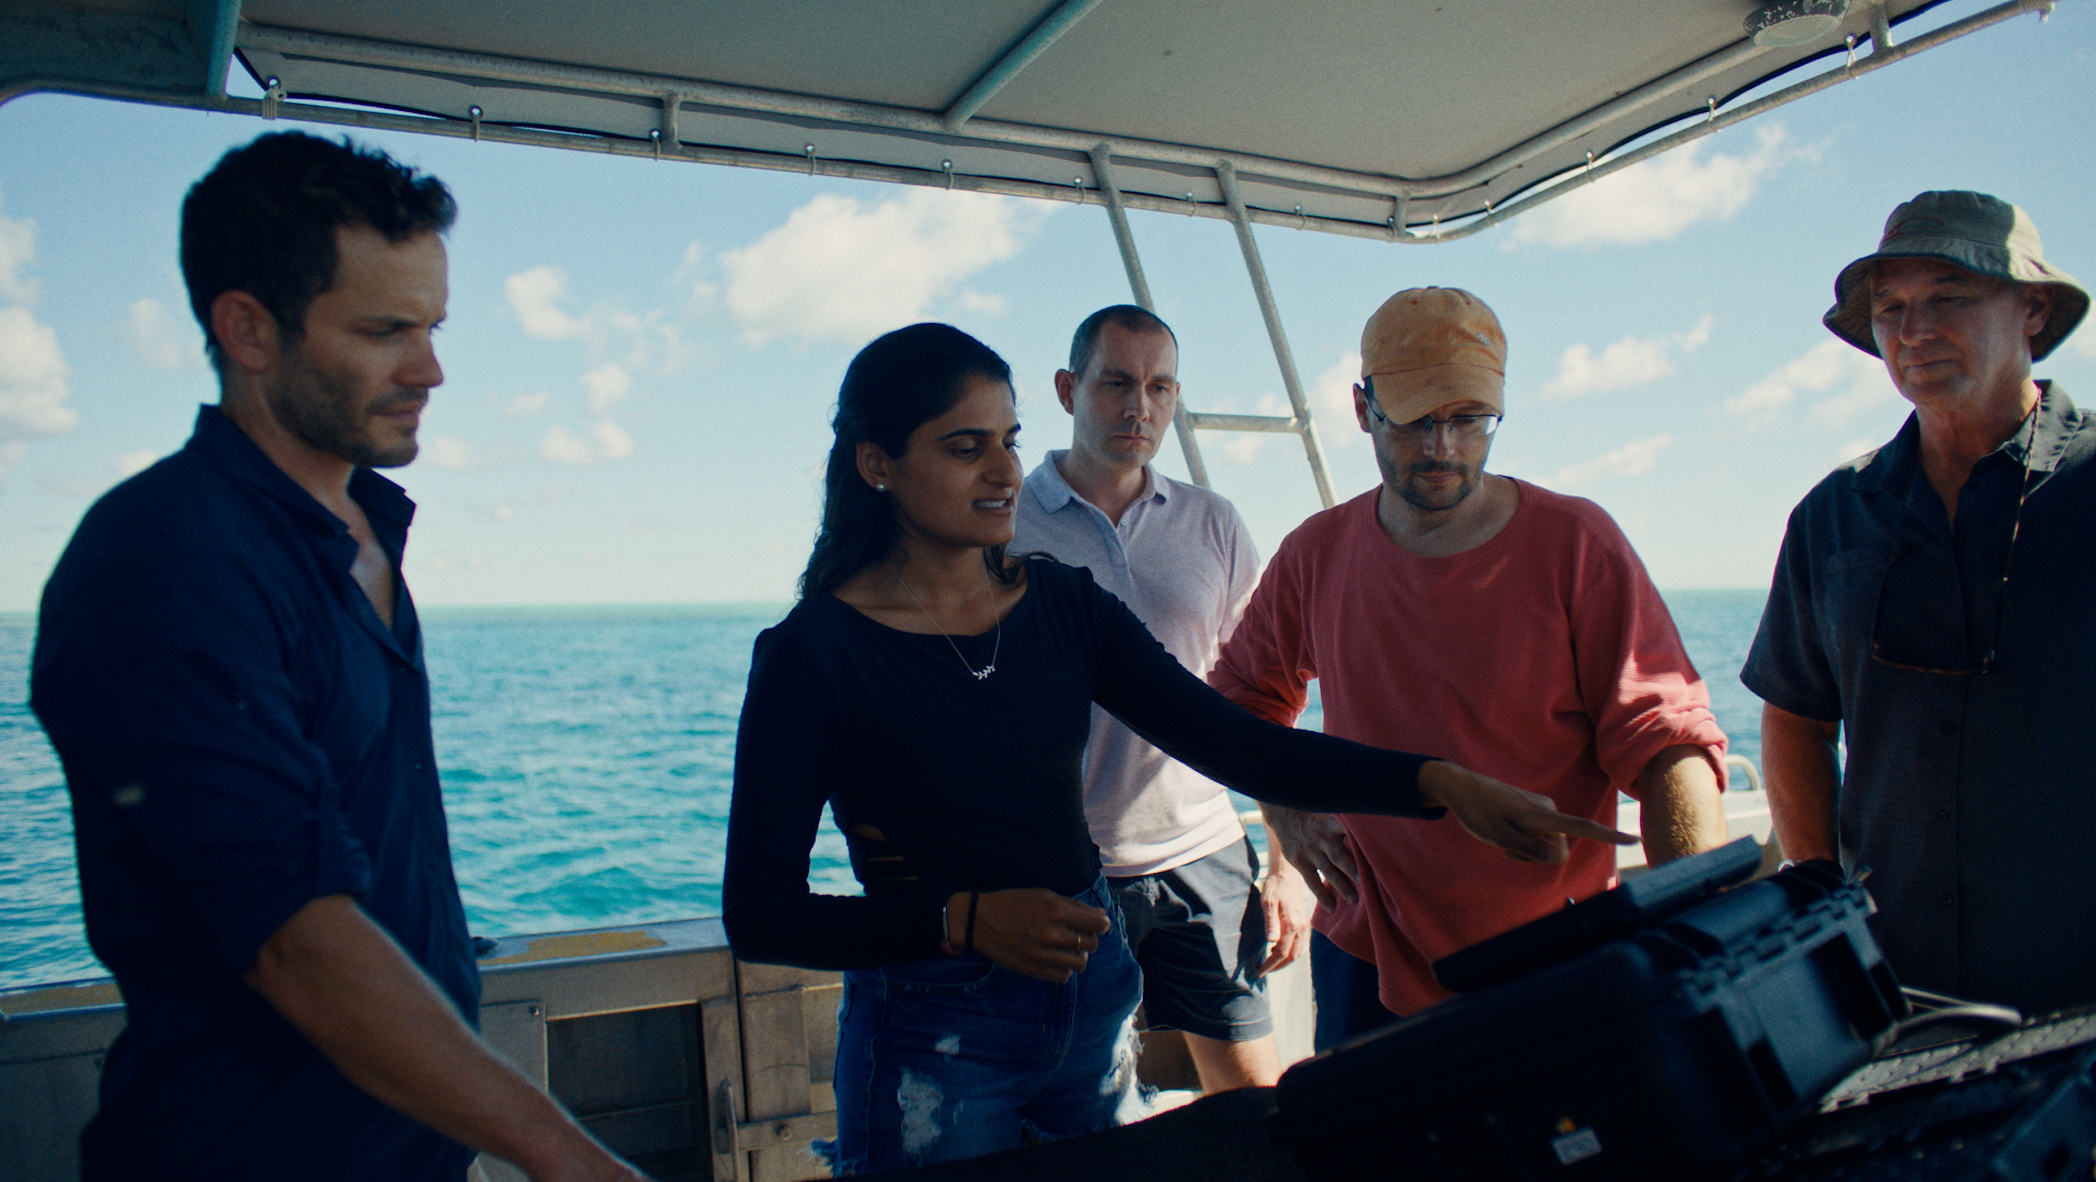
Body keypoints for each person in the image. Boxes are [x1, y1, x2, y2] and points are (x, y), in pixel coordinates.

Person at [720, 322, 1632, 1175]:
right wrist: (961, 921)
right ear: (877, 464)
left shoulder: (1062, 605)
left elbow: (1238, 745)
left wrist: (1437, 783)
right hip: (934, 1040)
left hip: (1091, 1009)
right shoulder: (813, 657)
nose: (1004, 471)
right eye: (967, 448)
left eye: (1009, 439)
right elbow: (760, 914)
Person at [30, 132, 643, 1182]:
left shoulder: (364, 529)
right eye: (384, 330)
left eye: (434, 325)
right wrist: (570, 1162)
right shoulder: (167, 563)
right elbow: (294, 937)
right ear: (248, 329)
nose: (431, 369)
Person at [1211, 287, 1730, 1040]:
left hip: (1554, 951)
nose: (1442, 447)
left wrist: (1697, 931)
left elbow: (1666, 741)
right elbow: (1238, 704)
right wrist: (1287, 810)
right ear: (1363, 411)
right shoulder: (1317, 554)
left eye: (1468, 420)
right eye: (1417, 421)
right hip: (1367, 953)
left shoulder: (1577, 542)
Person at [1742, 191, 2093, 1015]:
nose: (1913, 329)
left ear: (2032, 308)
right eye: (1891, 309)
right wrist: (1823, 897)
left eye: (1949, 298)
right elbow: (1795, 714)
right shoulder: (1834, 513)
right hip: (1898, 983)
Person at [1009, 304, 1308, 1092]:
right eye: (1116, 383)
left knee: (1253, 1103)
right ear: (1068, 389)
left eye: (1160, 387)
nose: (1140, 406)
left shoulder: (1214, 523)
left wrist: (1288, 864)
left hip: (1202, 855)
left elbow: (1266, 700)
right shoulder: (1002, 521)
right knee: (1067, 1107)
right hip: (1056, 872)